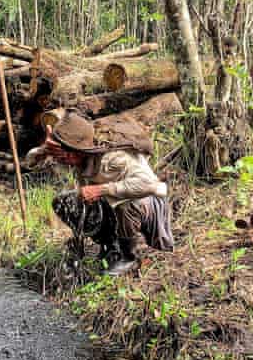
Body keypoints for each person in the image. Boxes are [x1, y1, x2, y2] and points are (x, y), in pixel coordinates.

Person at [32, 111, 173, 276]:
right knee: (63, 202)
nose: (62, 159)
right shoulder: (79, 156)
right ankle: (110, 247)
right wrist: (44, 150)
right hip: (114, 201)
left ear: (77, 150)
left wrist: (100, 190)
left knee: (126, 205)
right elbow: (29, 162)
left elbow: (149, 184)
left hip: (147, 201)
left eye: (64, 153)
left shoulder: (113, 158)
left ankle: (129, 257)